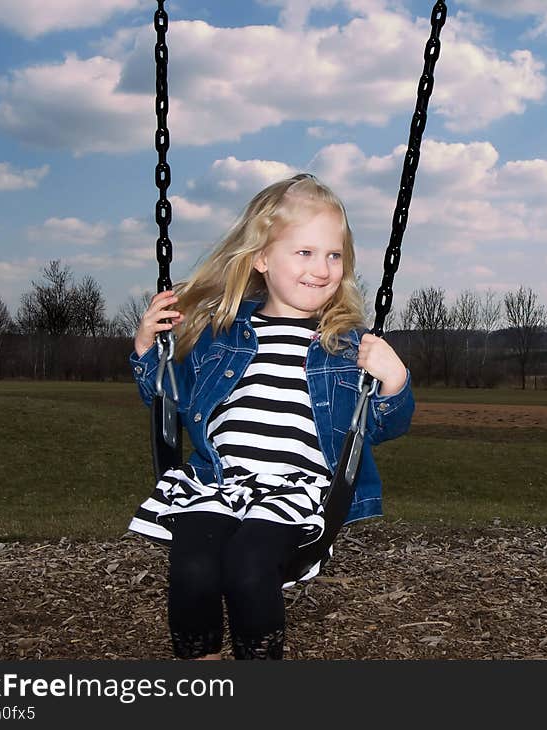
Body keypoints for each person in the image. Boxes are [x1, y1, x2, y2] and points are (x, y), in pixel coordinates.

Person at [128, 174, 415, 660]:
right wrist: (146, 353)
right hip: (216, 484)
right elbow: (175, 401)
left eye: (334, 255)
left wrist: (394, 382)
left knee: (247, 567)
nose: (322, 268)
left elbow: (381, 425)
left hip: (295, 493)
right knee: (192, 567)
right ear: (262, 258)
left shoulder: (346, 345)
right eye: (304, 253)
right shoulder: (223, 334)